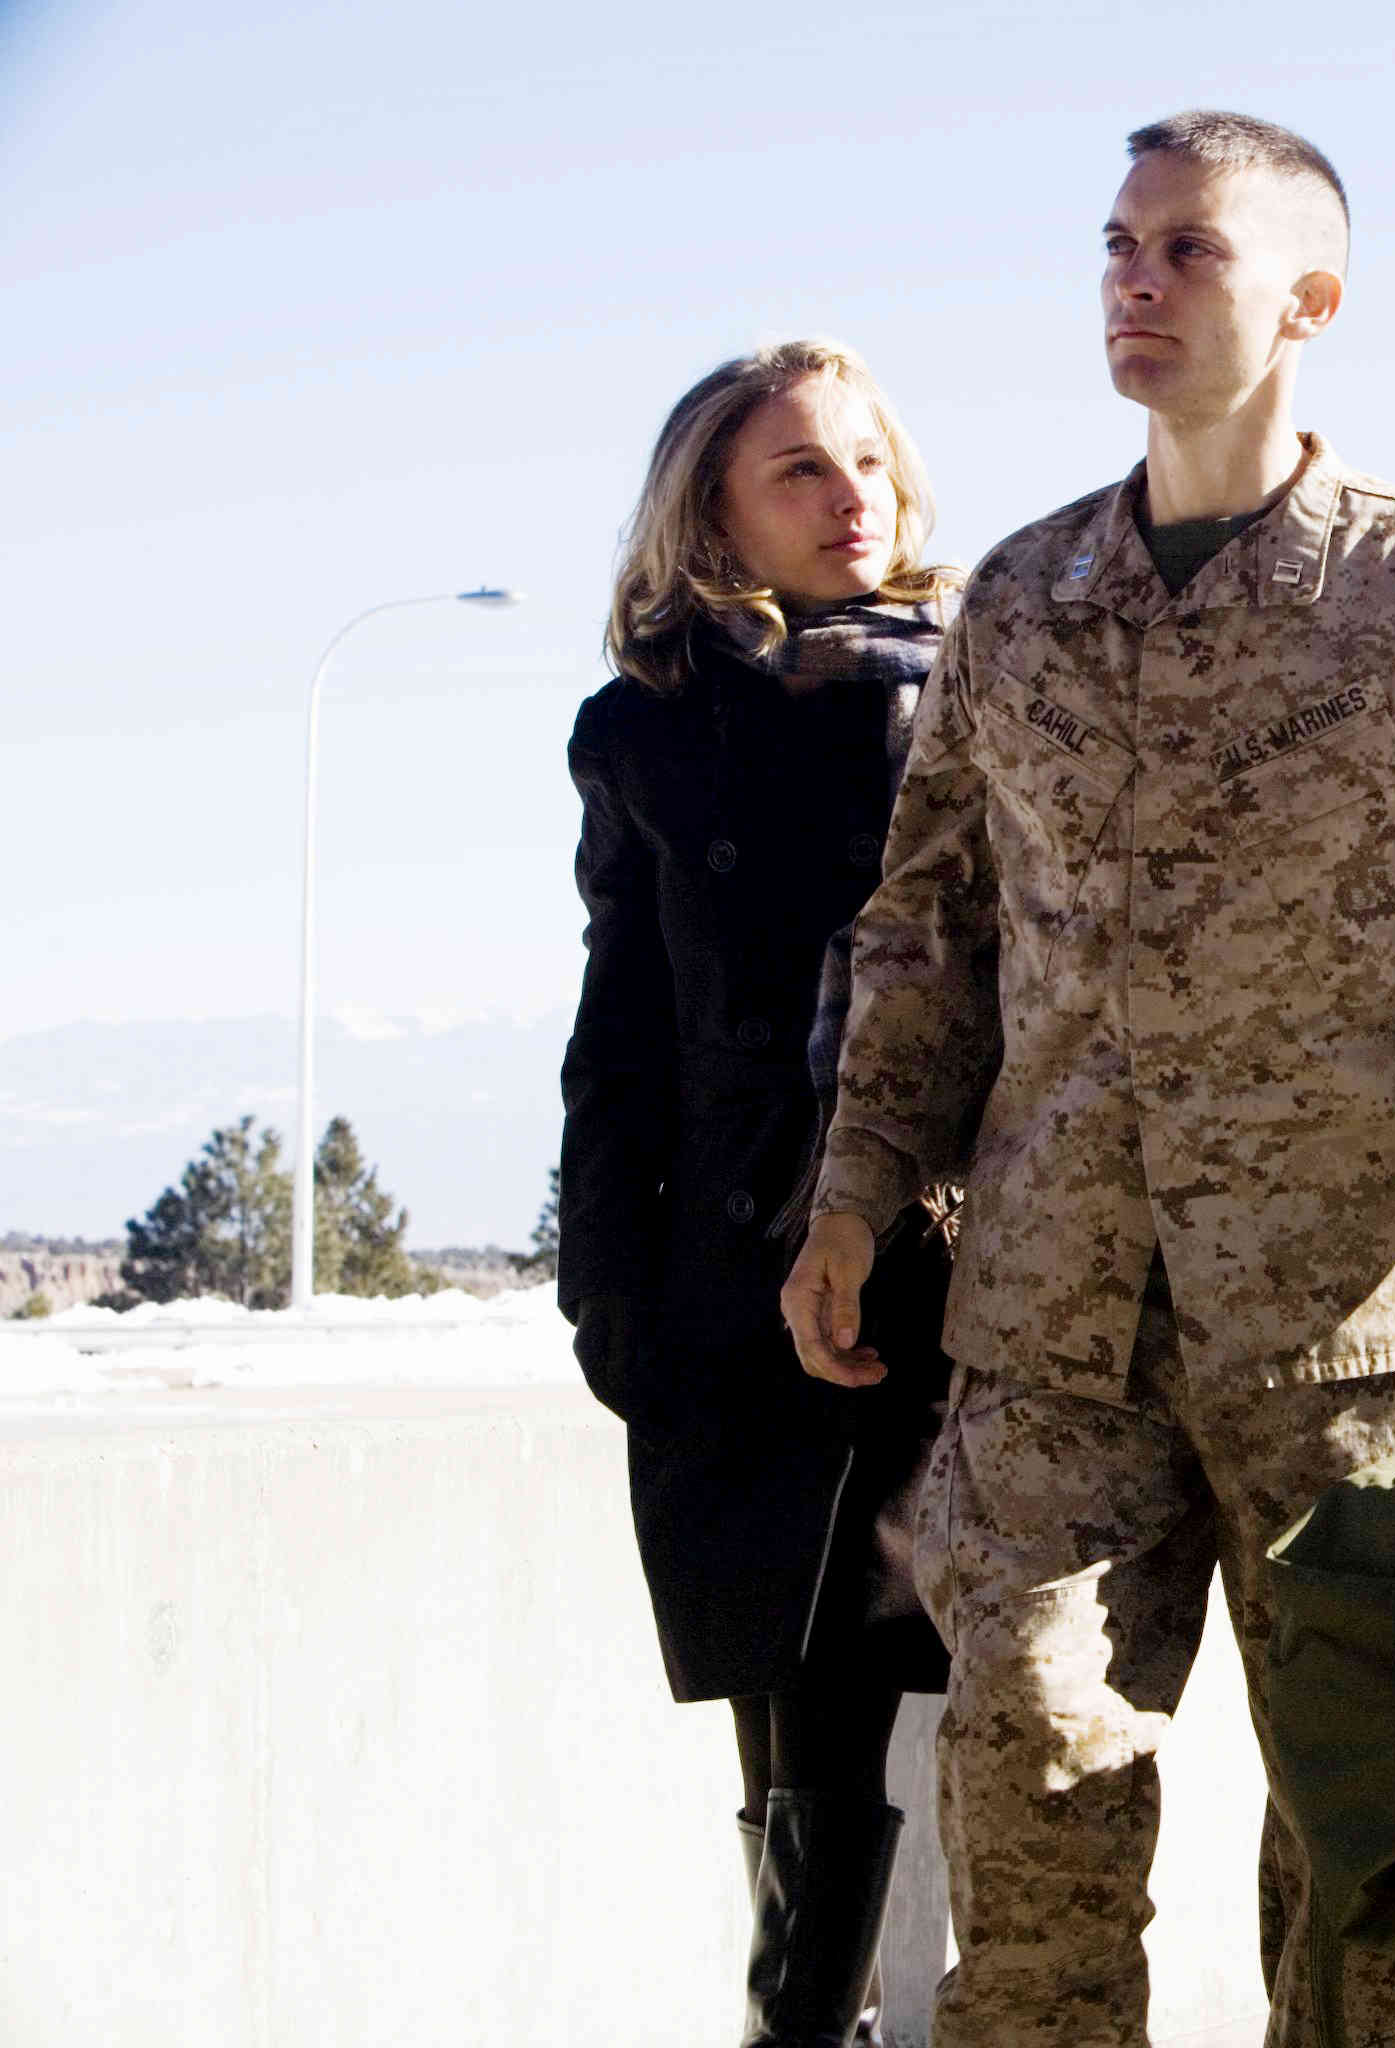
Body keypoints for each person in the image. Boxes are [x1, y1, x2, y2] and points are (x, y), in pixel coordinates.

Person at [776, 111, 1395, 2048]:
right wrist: (853, 1191)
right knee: (1034, 1768)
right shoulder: (1018, 598)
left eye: (1188, 251)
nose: (1134, 283)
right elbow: (929, 933)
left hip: (1355, 1327)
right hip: (1058, 1310)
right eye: (1116, 246)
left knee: (1359, 1856)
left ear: (1311, 300)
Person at [558, 338, 960, 2048]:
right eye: (799, 466)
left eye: (866, 459)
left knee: (877, 1663)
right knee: (772, 1671)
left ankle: (824, 2018)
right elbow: (621, 1029)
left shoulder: (984, 691)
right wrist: (606, 1290)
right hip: (725, 1273)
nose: (849, 494)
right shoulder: (646, 731)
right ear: (709, 503)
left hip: (946, 1265)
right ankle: (815, 2009)